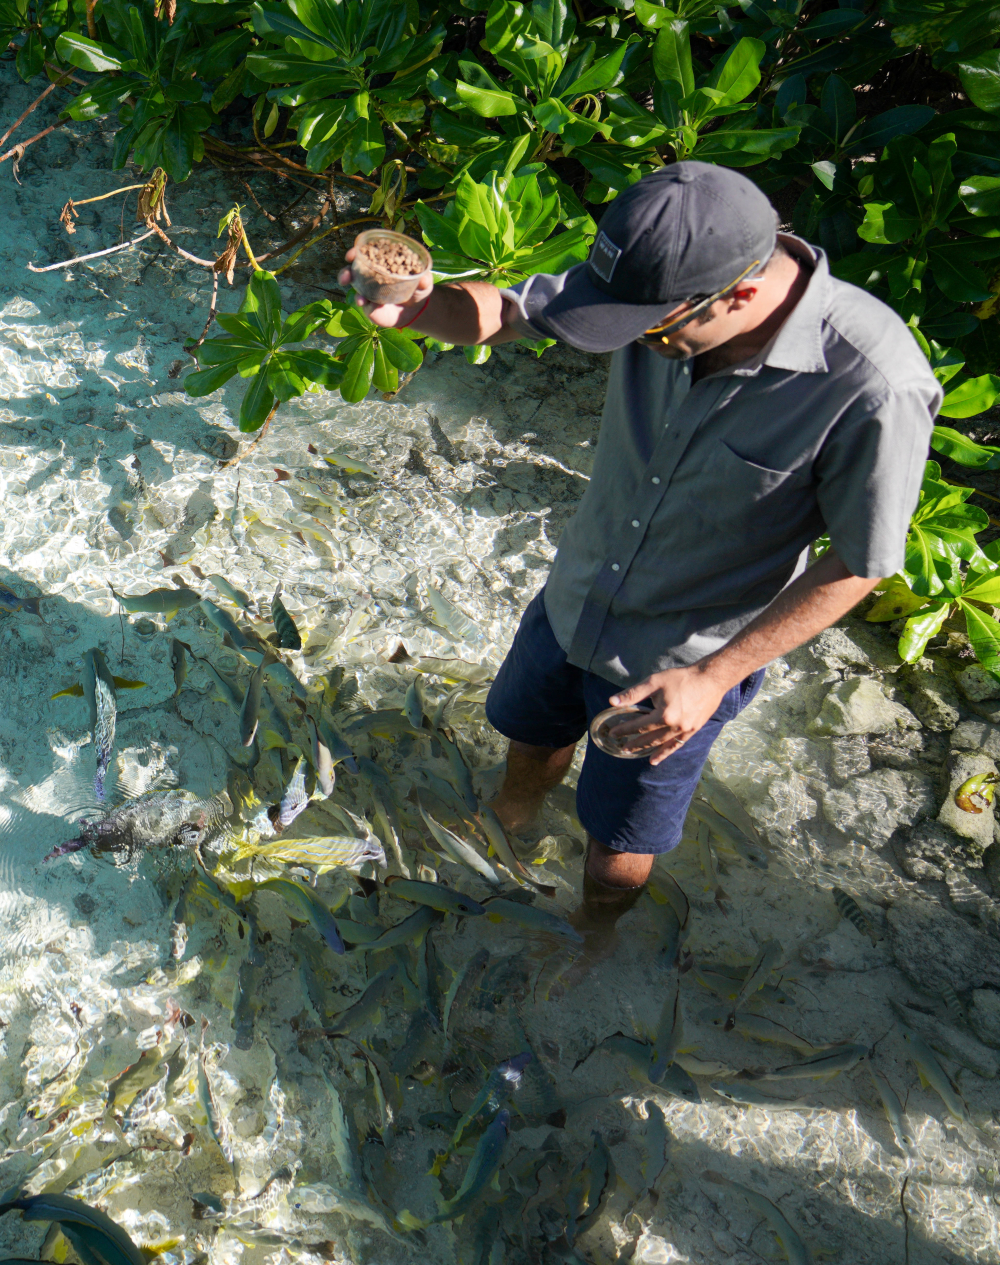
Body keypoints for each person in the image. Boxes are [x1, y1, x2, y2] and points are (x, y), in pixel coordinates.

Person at [342, 161, 940, 951]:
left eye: (651, 332)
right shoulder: (653, 277)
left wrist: (714, 676)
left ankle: (595, 934)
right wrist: (420, 308)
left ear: (742, 295)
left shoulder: (874, 383)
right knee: (530, 730)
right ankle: (508, 818)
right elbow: (502, 314)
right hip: (575, 593)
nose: (633, 343)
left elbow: (862, 561)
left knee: (621, 838)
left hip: (679, 661)